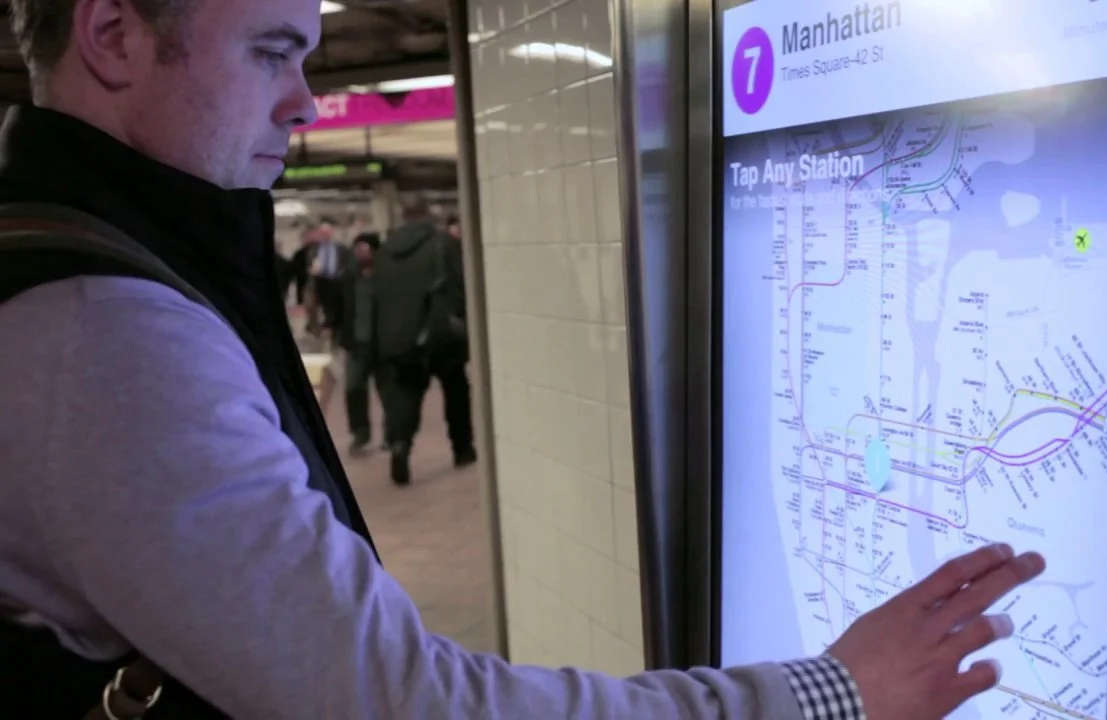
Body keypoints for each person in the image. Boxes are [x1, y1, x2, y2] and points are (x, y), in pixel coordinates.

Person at [0, 0, 1046, 718]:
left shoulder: (72, 257)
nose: (306, 101)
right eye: (271, 50)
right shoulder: (105, 332)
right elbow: (400, 703)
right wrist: (835, 692)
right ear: (111, 35)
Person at [374, 205, 477, 483]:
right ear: (430, 220)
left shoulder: (384, 252)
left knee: (406, 394)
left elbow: (377, 297)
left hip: (400, 338)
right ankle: (462, 448)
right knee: (456, 390)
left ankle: (401, 445)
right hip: (440, 332)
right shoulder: (444, 244)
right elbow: (460, 285)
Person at [333, 231, 386, 455]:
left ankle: (392, 434)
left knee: (389, 393)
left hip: (383, 344)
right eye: (358, 249)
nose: (360, 253)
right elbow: (338, 307)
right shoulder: (348, 276)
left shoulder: (387, 276)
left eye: (365, 249)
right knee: (354, 388)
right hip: (356, 345)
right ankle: (360, 433)